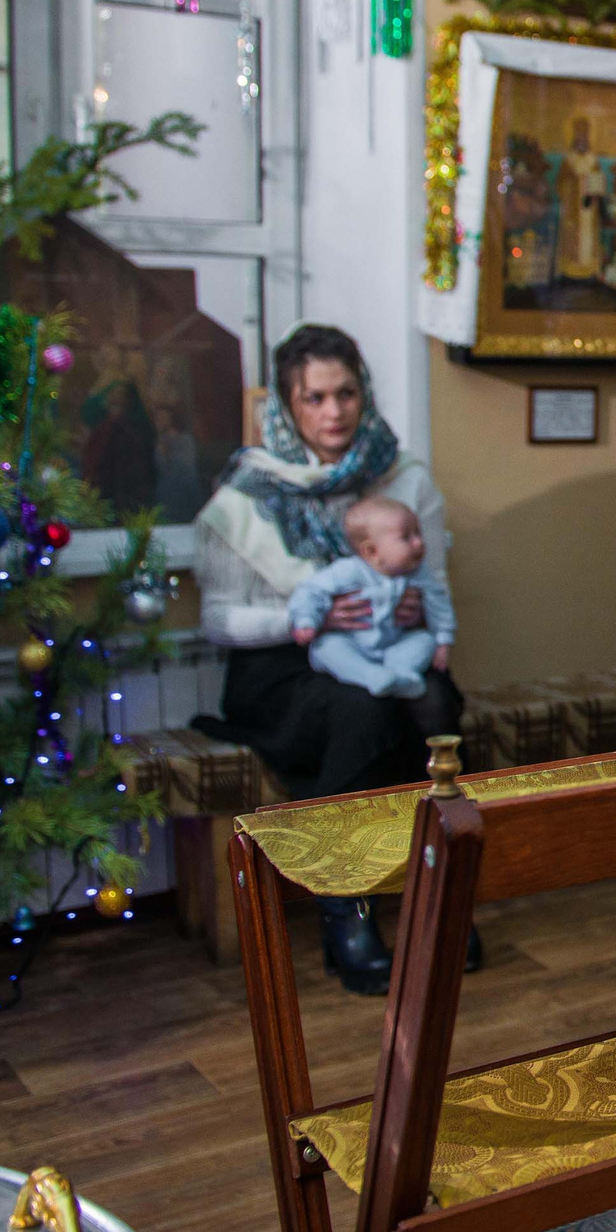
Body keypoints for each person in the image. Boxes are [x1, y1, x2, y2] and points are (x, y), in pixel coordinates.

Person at [194, 324, 466, 997]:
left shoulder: (404, 479)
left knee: (437, 702)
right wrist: (306, 619)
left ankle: (441, 898)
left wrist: (413, 610)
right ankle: (346, 905)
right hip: (278, 667)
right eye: (313, 398)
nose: (333, 412)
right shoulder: (247, 494)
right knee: (363, 709)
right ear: (288, 405)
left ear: (363, 393)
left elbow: (432, 580)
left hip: (380, 649)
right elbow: (217, 620)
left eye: (345, 393)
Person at [288, 496, 457, 698]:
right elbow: (310, 591)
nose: (419, 542)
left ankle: (400, 675)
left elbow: (439, 604)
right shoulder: (349, 571)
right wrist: (306, 621)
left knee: (425, 641)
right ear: (372, 551)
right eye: (406, 537)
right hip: (352, 643)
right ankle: (371, 676)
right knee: (326, 647)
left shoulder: (418, 574)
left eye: (418, 533)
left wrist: (443, 641)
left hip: (394, 644)